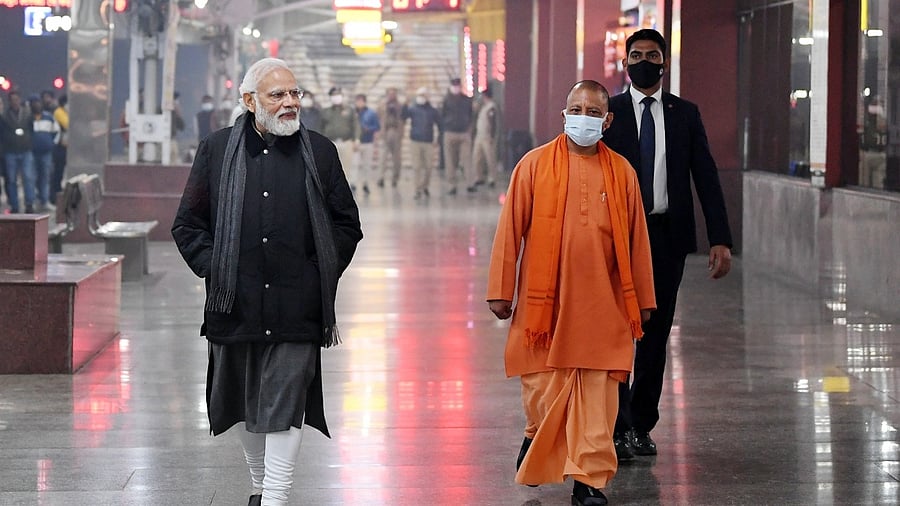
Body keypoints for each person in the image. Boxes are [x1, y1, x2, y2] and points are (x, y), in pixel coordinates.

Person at [171, 58, 363, 506]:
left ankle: (274, 498)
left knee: (284, 402)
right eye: (277, 95)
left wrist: (318, 272)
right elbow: (188, 224)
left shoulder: (320, 152)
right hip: (234, 304)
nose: (290, 102)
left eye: (295, 93)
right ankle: (259, 485)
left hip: (298, 306)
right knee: (240, 403)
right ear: (249, 100)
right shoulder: (217, 150)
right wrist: (217, 268)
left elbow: (346, 224)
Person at [487, 80, 655, 506]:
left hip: (604, 305)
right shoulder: (533, 165)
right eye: (576, 110)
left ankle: (589, 481)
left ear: (607, 121)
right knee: (542, 392)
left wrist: (643, 301)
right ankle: (536, 435)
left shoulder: (622, 172)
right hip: (545, 308)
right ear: (564, 115)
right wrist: (500, 289)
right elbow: (510, 230)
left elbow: (637, 240)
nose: (584, 118)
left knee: (598, 398)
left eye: (593, 112)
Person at [602, 28, 733, 461]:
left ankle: (641, 425)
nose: (644, 62)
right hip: (617, 238)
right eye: (636, 55)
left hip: (665, 237)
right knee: (617, 332)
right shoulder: (609, 113)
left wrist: (720, 238)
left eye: (652, 55)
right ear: (625, 63)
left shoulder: (684, 114)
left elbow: (706, 176)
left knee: (655, 333)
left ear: (665, 63)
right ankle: (615, 426)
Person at [402, 87, 441, 199]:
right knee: (416, 166)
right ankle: (417, 189)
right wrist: (405, 103)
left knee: (428, 166)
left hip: (428, 141)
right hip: (415, 141)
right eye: (420, 95)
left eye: (424, 95)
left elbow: (440, 124)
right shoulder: (413, 109)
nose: (422, 98)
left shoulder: (432, 111)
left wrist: (438, 139)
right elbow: (403, 116)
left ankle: (425, 186)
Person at [1, 91, 36, 213]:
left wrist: (30, 142)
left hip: (25, 149)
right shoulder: (4, 116)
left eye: (16, 99)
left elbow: (32, 129)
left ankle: (29, 203)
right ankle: (14, 205)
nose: (15, 102)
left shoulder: (27, 113)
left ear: (19, 100)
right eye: (12, 100)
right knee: (11, 179)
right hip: (10, 150)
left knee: (28, 177)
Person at [320, 87, 360, 191]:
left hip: (346, 142)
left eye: (338, 95)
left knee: (346, 166)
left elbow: (355, 125)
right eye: (334, 95)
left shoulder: (349, 110)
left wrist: (356, 139)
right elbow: (320, 128)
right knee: (331, 166)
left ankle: (345, 188)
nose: (336, 97)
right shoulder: (325, 112)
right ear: (330, 97)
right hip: (330, 142)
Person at [439, 77, 473, 195]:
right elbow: (441, 116)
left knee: (467, 159)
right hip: (450, 132)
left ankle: (469, 183)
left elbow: (471, 114)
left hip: (464, 133)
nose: (456, 88)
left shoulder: (466, 100)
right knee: (450, 161)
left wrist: (469, 128)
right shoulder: (446, 100)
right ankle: (452, 185)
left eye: (457, 85)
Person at [28, 94, 60, 211]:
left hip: (46, 153)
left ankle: (44, 201)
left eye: (38, 102)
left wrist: (52, 144)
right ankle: (32, 201)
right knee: (31, 178)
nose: (36, 105)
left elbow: (57, 131)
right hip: (31, 152)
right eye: (34, 103)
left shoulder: (48, 117)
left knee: (45, 177)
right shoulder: (28, 118)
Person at [468, 86, 500, 192]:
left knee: (490, 158)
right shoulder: (482, 107)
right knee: (477, 157)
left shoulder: (491, 107)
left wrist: (492, 136)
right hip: (479, 135)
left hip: (487, 136)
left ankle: (492, 178)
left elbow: (493, 124)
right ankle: (479, 177)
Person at [376, 87, 404, 189]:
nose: (392, 95)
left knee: (396, 158)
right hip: (385, 132)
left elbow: (403, 117)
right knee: (383, 157)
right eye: (390, 94)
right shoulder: (383, 105)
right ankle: (381, 177)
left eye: (393, 94)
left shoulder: (400, 106)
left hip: (396, 131)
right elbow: (378, 115)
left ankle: (395, 178)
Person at [354, 93, 380, 194]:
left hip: (368, 142)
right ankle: (353, 183)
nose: (359, 103)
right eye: (358, 101)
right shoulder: (353, 113)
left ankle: (366, 184)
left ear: (365, 102)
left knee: (367, 165)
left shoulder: (371, 113)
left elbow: (377, 126)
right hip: (356, 142)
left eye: (361, 101)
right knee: (354, 164)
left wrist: (369, 129)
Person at [51, 94, 68, 197]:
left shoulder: (67, 112)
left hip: (67, 146)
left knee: (62, 171)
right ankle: (55, 192)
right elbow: (67, 124)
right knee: (58, 170)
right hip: (59, 146)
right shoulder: (59, 112)